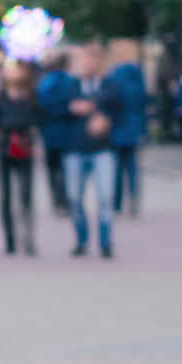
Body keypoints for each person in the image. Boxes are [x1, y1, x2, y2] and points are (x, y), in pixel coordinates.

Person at [62, 42, 121, 259]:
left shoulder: (109, 86)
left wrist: (104, 119)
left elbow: (119, 110)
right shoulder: (70, 86)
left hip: (102, 149)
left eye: (93, 58)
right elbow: (54, 109)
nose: (89, 63)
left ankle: (105, 243)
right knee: (74, 197)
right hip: (75, 149)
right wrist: (72, 108)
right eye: (85, 58)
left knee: (105, 197)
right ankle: (81, 240)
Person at [0, 59, 39, 256]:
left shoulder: (31, 96)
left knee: (26, 194)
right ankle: (10, 239)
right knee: (5, 196)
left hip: (24, 147)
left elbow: (41, 117)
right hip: (3, 147)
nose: (13, 74)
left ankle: (28, 238)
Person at [108, 39, 148, 217]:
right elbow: (142, 102)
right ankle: (133, 201)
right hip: (133, 126)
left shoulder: (114, 75)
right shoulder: (136, 74)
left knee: (117, 167)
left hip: (118, 126)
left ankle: (117, 203)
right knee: (131, 167)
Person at [37, 51, 75, 216]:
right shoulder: (71, 82)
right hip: (67, 133)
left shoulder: (45, 83)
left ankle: (56, 200)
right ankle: (66, 199)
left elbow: (40, 107)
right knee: (66, 169)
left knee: (53, 169)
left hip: (50, 133)